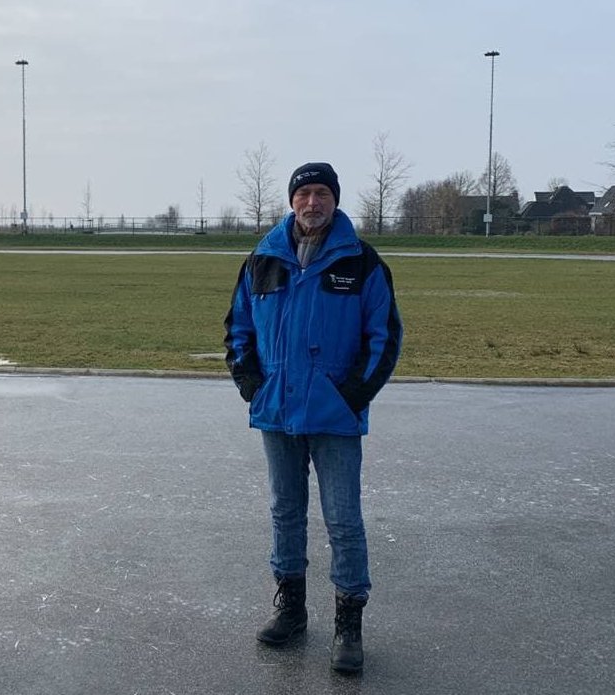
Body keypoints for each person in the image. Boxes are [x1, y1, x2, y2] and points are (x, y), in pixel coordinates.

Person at [224, 162, 402, 674]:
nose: (312, 203)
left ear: (335, 200)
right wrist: (253, 386)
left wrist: (350, 397)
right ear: (292, 201)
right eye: (304, 194)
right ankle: (292, 609)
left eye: (322, 193)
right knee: (285, 512)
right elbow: (238, 329)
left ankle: (349, 622)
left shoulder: (362, 262)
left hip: (334, 416)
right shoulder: (262, 259)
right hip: (277, 410)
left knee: (343, 520)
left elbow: (384, 337)